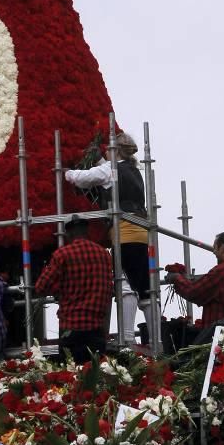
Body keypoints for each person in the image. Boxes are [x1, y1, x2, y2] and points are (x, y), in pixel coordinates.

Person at [64, 132, 151, 344]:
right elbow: (110, 177)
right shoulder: (133, 170)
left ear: (116, 151)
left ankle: (128, 339)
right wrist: (99, 160)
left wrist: (66, 173)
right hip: (142, 232)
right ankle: (156, 338)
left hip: (124, 233)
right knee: (146, 289)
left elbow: (84, 179)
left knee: (125, 285)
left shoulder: (110, 169)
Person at [34, 216, 114, 361]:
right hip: (96, 329)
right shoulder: (104, 254)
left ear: (68, 234)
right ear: (87, 231)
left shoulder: (62, 255)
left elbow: (40, 287)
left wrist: (59, 289)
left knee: (71, 377)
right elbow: (109, 287)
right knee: (96, 377)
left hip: (70, 329)